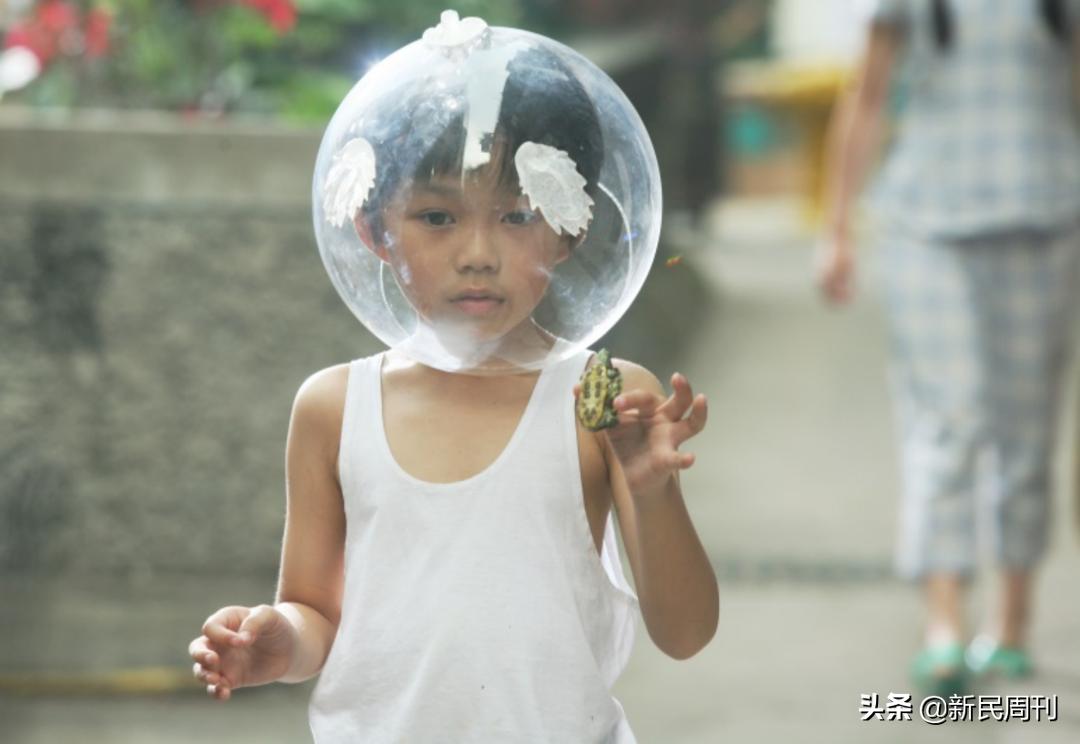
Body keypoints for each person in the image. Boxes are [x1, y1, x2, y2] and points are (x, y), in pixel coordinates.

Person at [187, 17, 718, 743]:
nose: (477, 252)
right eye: (436, 216)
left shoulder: (602, 400)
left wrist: (653, 493)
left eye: (517, 215)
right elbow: (315, 610)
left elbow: (686, 634)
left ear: (569, 227)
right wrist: (278, 642)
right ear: (375, 230)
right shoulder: (335, 408)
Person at [818, 0, 1080, 694]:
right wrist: (837, 229)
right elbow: (867, 97)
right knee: (950, 418)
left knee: (1028, 431)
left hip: (1047, 220)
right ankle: (944, 626)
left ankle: (1013, 622)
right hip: (925, 226)